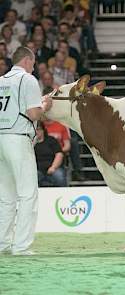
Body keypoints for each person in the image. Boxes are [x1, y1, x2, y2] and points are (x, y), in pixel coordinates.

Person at [0, 46, 52, 255]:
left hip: (1, 137)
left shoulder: (1, 80)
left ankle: (3, 244)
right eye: (33, 63)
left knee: (6, 196)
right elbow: (33, 113)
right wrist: (45, 106)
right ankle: (21, 246)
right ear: (28, 61)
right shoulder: (28, 80)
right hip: (17, 139)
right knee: (28, 194)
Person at [34, 121, 66, 187]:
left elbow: (59, 154)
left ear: (43, 130)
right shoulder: (31, 143)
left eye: (38, 129)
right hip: (37, 170)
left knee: (59, 176)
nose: (37, 132)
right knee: (31, 178)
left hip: (53, 168)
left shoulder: (51, 140)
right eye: (35, 129)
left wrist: (53, 167)